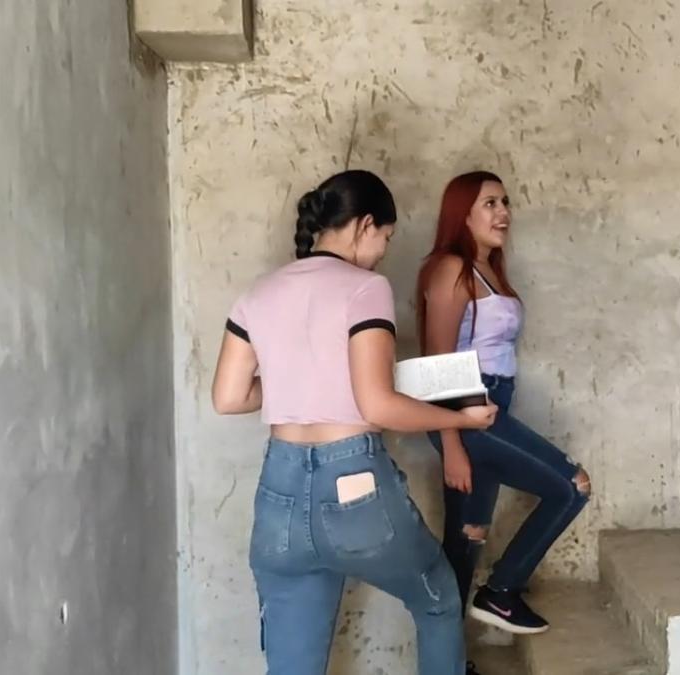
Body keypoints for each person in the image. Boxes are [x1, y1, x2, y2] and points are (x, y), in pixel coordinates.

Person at [212, 169, 498, 675]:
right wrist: (464, 420)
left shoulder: (258, 293)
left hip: (278, 490)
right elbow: (379, 407)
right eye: (385, 237)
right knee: (437, 596)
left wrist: (297, 383)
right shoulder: (366, 288)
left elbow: (229, 398)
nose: (384, 251)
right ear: (365, 225)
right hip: (353, 486)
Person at [415, 171, 591, 636]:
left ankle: (448, 663)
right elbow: (436, 362)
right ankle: (501, 591)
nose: (503, 212)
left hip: (493, 408)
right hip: (467, 411)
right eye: (489, 203)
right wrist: (452, 444)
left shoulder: (487, 269)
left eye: (505, 202)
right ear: (462, 214)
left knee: (466, 540)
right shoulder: (452, 268)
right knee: (572, 486)